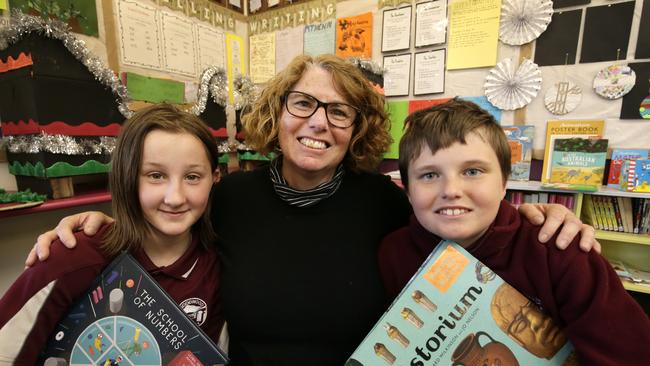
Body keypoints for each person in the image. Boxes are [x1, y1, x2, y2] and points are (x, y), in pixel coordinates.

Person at [26, 55, 598, 366]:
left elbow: (459, 226)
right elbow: (161, 225)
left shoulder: (384, 204)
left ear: (357, 131)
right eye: (303, 103)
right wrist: (95, 221)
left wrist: (534, 218)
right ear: (278, 113)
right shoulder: (228, 200)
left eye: (340, 112)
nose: (318, 121)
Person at [378, 99, 650, 365]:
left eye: (472, 171)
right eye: (429, 175)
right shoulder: (393, 254)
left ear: (504, 183)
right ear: (408, 191)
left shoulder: (559, 250)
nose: (451, 190)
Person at [0, 104, 224, 363]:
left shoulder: (219, 267)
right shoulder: (71, 257)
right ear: (127, 177)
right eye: (155, 175)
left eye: (193, 177)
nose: (175, 197)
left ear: (215, 178)